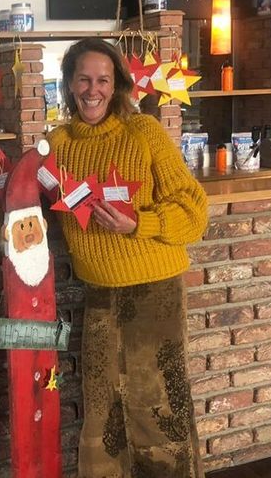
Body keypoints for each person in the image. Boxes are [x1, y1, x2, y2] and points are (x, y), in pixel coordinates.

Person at [47, 38, 208, 477]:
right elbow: (32, 201)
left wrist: (139, 223)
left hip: (155, 290)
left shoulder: (144, 132)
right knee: (103, 408)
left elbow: (194, 212)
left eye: (103, 79)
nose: (92, 89)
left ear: (117, 84)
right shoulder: (56, 144)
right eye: (83, 79)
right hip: (98, 292)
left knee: (159, 405)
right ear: (68, 84)